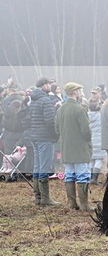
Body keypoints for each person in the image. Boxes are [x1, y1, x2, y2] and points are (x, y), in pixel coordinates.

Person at [55, 82, 92, 211]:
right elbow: (86, 131)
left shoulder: (60, 109)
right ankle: (84, 205)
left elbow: (57, 129)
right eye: (80, 90)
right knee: (83, 175)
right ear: (75, 92)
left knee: (69, 174)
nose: (81, 92)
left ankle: (72, 204)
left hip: (66, 147)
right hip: (80, 148)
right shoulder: (79, 109)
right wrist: (88, 139)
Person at [29, 77, 59, 206]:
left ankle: (38, 197)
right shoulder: (45, 100)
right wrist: (55, 135)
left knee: (37, 166)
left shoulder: (33, 100)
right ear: (44, 85)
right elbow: (49, 121)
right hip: (45, 137)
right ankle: (45, 198)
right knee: (44, 167)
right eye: (49, 84)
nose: (50, 86)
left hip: (35, 136)